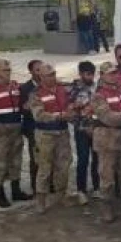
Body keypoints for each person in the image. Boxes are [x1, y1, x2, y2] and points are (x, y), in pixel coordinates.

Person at [0, 59, 33, 207]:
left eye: (9, 70)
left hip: (16, 130)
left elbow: (21, 105)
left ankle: (16, 191)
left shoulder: (15, 86)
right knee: (1, 164)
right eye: (4, 70)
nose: (7, 73)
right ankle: (0, 193)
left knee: (16, 161)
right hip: (0, 132)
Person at [28, 63, 75, 212]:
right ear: (40, 77)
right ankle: (41, 200)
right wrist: (59, 116)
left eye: (53, 74)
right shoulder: (36, 94)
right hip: (45, 135)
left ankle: (61, 196)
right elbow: (39, 115)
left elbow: (69, 105)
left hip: (62, 133)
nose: (52, 77)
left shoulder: (62, 89)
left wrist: (72, 110)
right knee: (44, 167)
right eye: (49, 75)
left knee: (64, 165)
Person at [91, 62, 121, 223]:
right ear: (102, 75)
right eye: (110, 73)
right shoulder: (98, 96)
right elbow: (109, 118)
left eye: (115, 72)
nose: (114, 75)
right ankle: (106, 208)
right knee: (107, 177)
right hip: (106, 141)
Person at [69, 61, 100, 205]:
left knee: (97, 159)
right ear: (80, 74)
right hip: (81, 130)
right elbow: (70, 110)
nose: (90, 77)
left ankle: (97, 187)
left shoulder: (97, 88)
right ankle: (81, 190)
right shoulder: (74, 89)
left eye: (92, 74)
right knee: (83, 160)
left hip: (96, 130)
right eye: (87, 74)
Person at [19, 59, 43, 193]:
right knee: (35, 158)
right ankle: (35, 186)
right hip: (32, 128)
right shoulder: (24, 88)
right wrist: (28, 107)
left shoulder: (48, 85)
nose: (40, 72)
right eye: (37, 70)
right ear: (31, 72)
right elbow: (21, 108)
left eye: (42, 69)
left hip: (47, 127)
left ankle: (47, 183)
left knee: (47, 157)